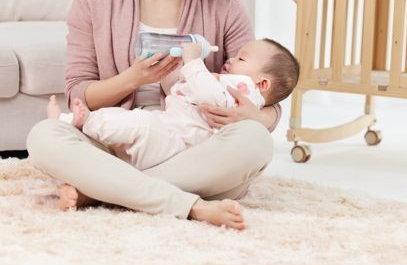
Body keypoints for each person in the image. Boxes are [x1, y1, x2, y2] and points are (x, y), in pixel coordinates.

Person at [26, 0, 282, 230]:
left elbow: (264, 95)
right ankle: (190, 204)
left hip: (189, 149)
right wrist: (133, 79)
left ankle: (104, 191)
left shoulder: (225, 5)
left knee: (255, 142)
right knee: (44, 137)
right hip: (116, 143)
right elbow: (79, 94)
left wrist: (255, 117)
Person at [47, 38, 299, 171]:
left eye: (241, 58)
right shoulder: (227, 81)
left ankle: (77, 123)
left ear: (262, 84)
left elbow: (208, 95)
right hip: (168, 129)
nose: (231, 59)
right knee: (127, 124)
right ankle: (81, 131)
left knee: (137, 125)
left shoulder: (243, 88)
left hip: (178, 145)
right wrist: (170, 70)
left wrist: (192, 62)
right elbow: (179, 90)